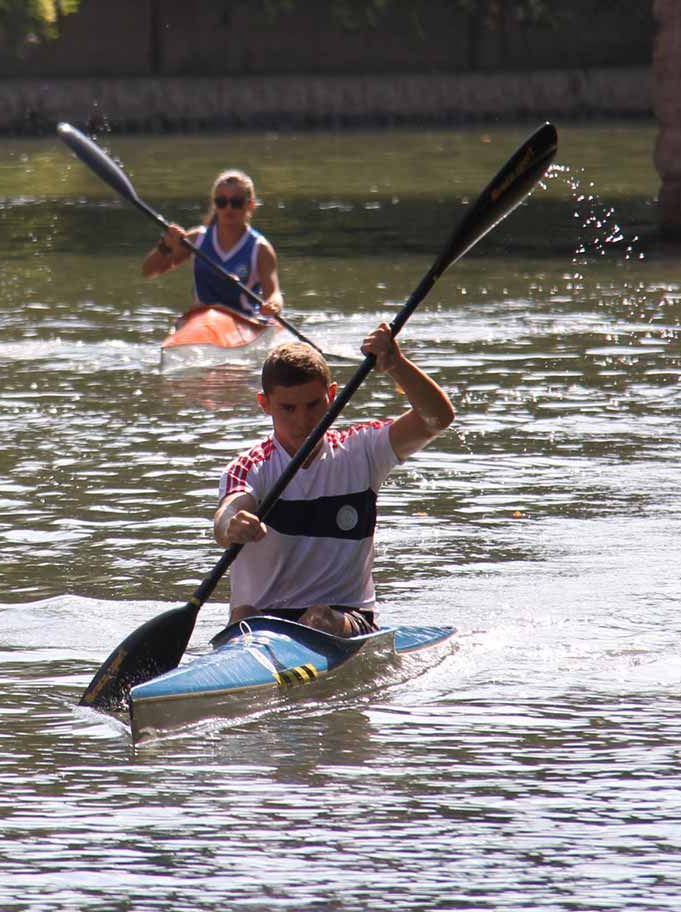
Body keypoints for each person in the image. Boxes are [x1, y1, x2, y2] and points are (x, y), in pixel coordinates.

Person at [213, 324, 455, 637]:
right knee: (244, 615)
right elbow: (227, 514)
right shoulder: (251, 467)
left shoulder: (364, 450)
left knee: (319, 617)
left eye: (313, 405)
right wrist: (232, 525)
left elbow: (436, 418)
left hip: (344, 617)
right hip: (259, 620)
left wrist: (397, 365)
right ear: (265, 404)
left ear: (332, 396)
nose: (302, 421)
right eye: (287, 408)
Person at [141, 168, 283, 318]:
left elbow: (274, 293)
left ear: (250, 205)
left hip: (243, 322)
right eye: (222, 202)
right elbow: (148, 271)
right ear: (215, 204)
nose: (228, 208)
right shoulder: (196, 239)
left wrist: (273, 305)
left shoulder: (260, 248)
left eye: (236, 202)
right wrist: (165, 245)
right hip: (201, 319)